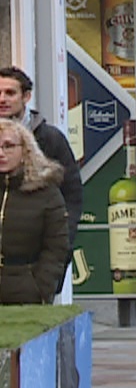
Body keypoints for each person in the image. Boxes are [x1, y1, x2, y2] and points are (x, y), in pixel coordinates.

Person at [0, 67, 81, 250]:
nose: (2, 99)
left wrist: (62, 247)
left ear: (26, 96)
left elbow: (72, 193)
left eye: (10, 93)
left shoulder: (51, 139)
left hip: (39, 256)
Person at [0, 120, 71, 304]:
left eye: (8, 146)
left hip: (26, 292)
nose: (1, 153)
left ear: (25, 150)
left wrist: (40, 288)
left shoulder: (46, 192)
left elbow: (57, 247)